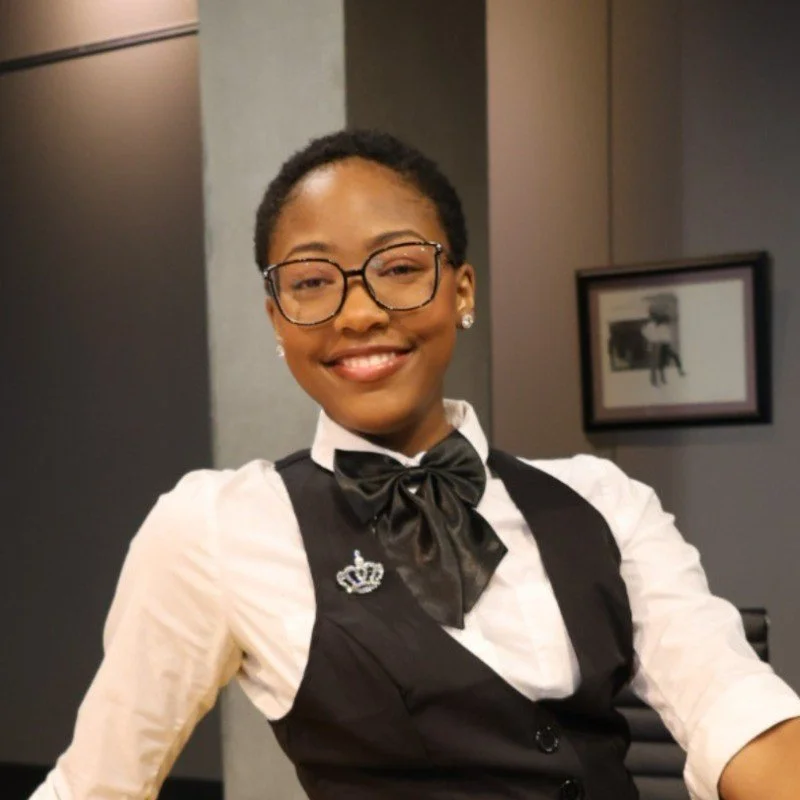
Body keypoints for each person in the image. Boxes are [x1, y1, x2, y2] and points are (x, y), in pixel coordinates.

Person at [31, 130, 800, 800]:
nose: (359, 311)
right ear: (277, 320)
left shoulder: (603, 500)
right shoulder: (218, 528)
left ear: (460, 289)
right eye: (311, 282)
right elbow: (97, 783)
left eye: (399, 267)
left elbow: (735, 707)